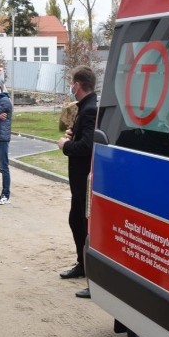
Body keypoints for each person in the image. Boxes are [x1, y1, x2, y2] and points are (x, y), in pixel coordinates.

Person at [56, 66, 98, 298]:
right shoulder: (85, 108)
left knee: (83, 224)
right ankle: (82, 266)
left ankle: (91, 275)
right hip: (79, 182)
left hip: (85, 181)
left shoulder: (90, 109)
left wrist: (66, 146)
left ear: (78, 85)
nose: (71, 87)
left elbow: (88, 146)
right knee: (76, 221)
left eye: (72, 83)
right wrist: (74, 136)